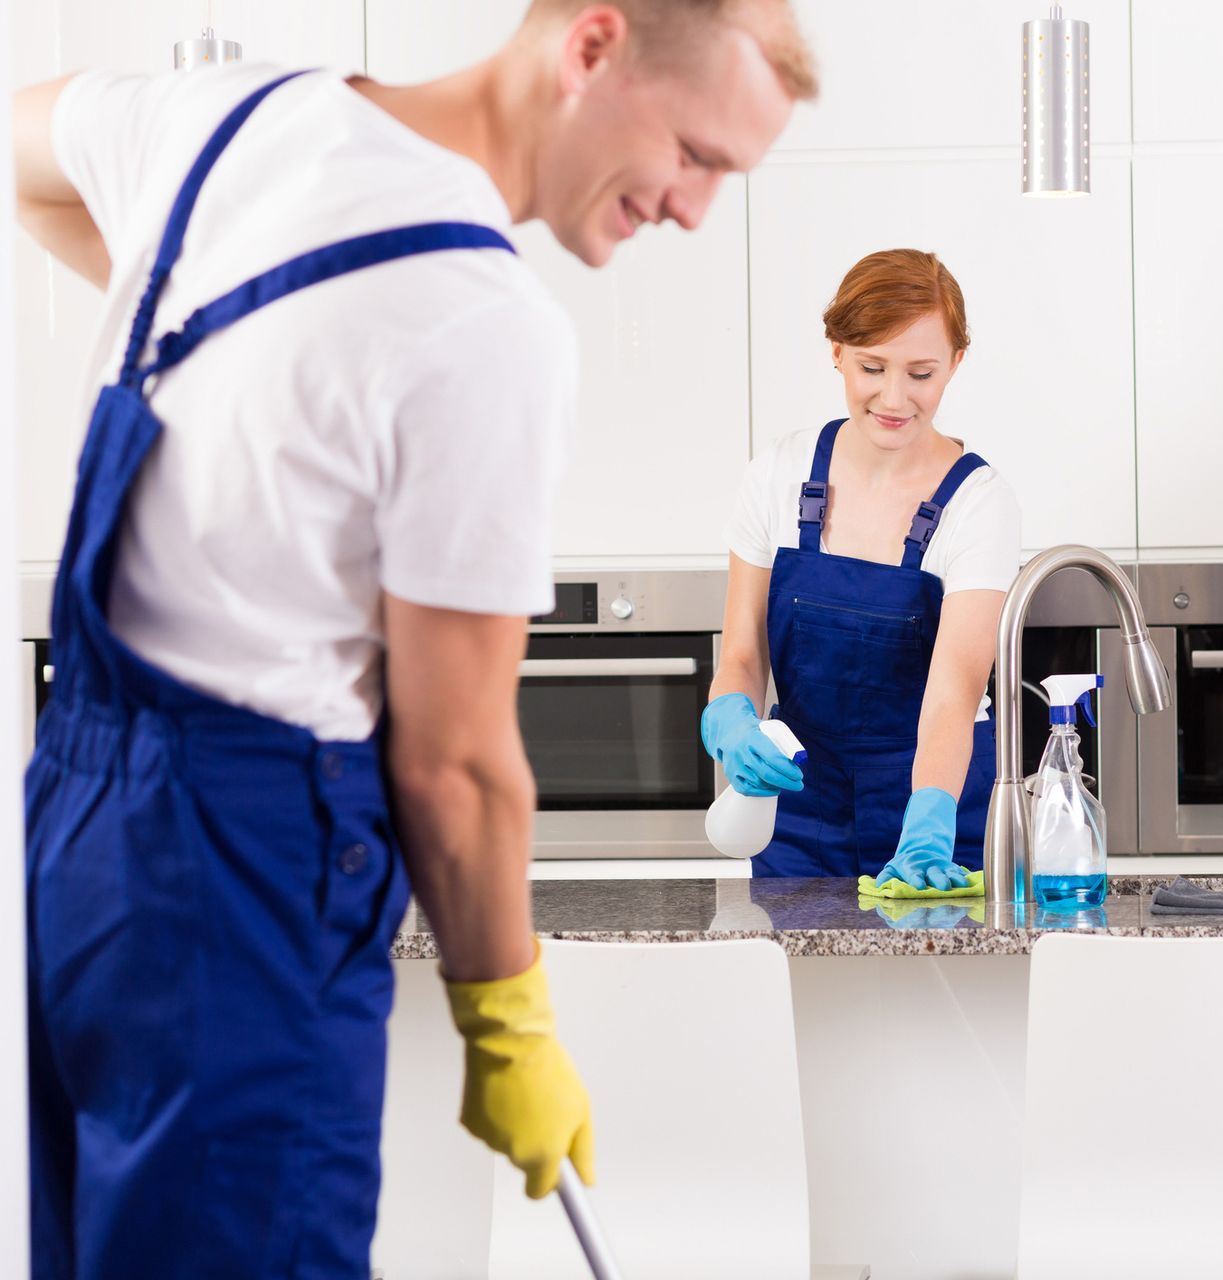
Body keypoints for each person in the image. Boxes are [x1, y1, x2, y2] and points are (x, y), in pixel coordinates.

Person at [11, 2, 813, 1274]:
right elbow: (455, 764)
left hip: (83, 839)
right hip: (246, 853)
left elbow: (22, 145)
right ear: (592, 46)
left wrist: (251, 377)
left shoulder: (229, 117)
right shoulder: (483, 323)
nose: (695, 209)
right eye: (697, 153)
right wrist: (509, 1022)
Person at [705, 249, 1021, 886]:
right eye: (872, 366)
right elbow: (740, 655)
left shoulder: (979, 503)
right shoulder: (776, 474)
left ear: (957, 363)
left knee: (950, 985)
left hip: (935, 805)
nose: (894, 397)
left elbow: (955, 689)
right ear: (835, 351)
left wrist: (928, 823)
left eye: (922, 373)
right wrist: (732, 720)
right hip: (797, 807)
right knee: (805, 983)